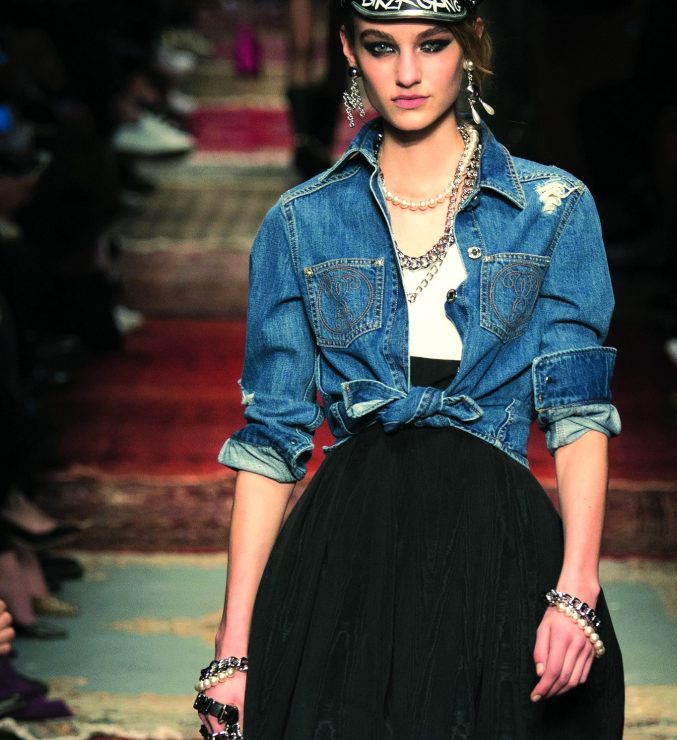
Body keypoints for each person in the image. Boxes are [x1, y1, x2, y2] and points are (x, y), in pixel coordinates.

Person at [197, 1, 625, 737]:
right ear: (348, 50)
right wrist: (233, 653)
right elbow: (271, 441)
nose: (405, 73)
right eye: (380, 46)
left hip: (498, 553)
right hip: (346, 561)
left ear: (471, 42)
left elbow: (577, 412)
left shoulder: (553, 208)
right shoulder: (300, 223)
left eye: (430, 45)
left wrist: (577, 587)